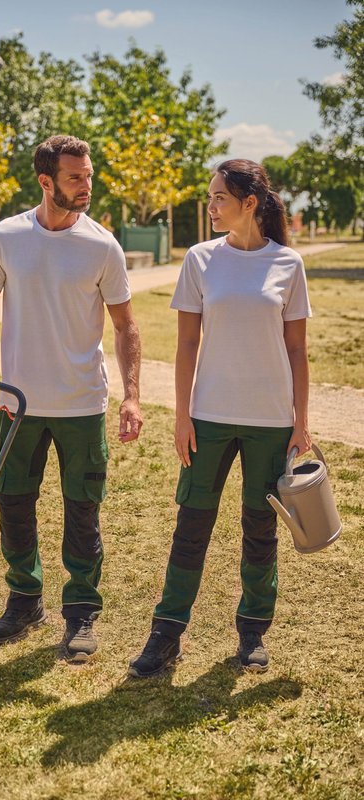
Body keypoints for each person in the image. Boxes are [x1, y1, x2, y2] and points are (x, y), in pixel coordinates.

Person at [0, 135, 142, 662]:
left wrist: (132, 396)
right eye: (75, 178)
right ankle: (24, 600)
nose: (87, 186)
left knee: (82, 509)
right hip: (16, 404)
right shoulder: (7, 237)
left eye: (88, 175)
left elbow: (126, 326)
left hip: (82, 404)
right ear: (46, 181)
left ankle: (81, 611)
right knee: (14, 502)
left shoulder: (102, 245)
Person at [129, 159, 311, 677]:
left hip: (271, 421)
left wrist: (301, 424)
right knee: (191, 526)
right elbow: (187, 343)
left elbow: (297, 350)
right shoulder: (200, 261)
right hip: (207, 419)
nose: (210, 206)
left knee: (260, 529)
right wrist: (182, 417)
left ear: (249, 203)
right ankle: (166, 632)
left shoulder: (287, 265)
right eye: (209, 197)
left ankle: (252, 631)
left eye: (218, 198)